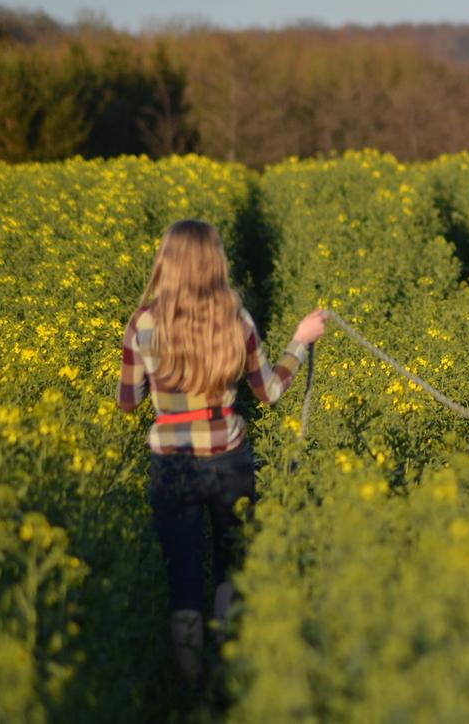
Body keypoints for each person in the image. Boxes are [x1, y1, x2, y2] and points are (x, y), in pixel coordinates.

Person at [117, 218, 327, 688]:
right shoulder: (236, 317)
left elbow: (128, 402)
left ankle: (193, 691)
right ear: (216, 263)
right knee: (232, 569)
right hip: (229, 458)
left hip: (171, 462)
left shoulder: (143, 323)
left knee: (184, 581)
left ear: (165, 263)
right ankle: (228, 679)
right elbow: (270, 391)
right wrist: (300, 340)